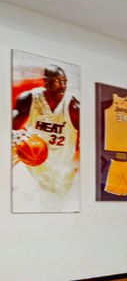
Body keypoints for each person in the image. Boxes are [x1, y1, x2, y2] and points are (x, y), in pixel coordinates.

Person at [12, 65, 80, 211]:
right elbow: (9, 127)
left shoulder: (73, 108)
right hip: (30, 170)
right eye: (57, 81)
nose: (62, 86)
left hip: (59, 176)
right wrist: (17, 136)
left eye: (65, 81)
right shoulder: (29, 99)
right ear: (46, 82)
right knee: (20, 207)